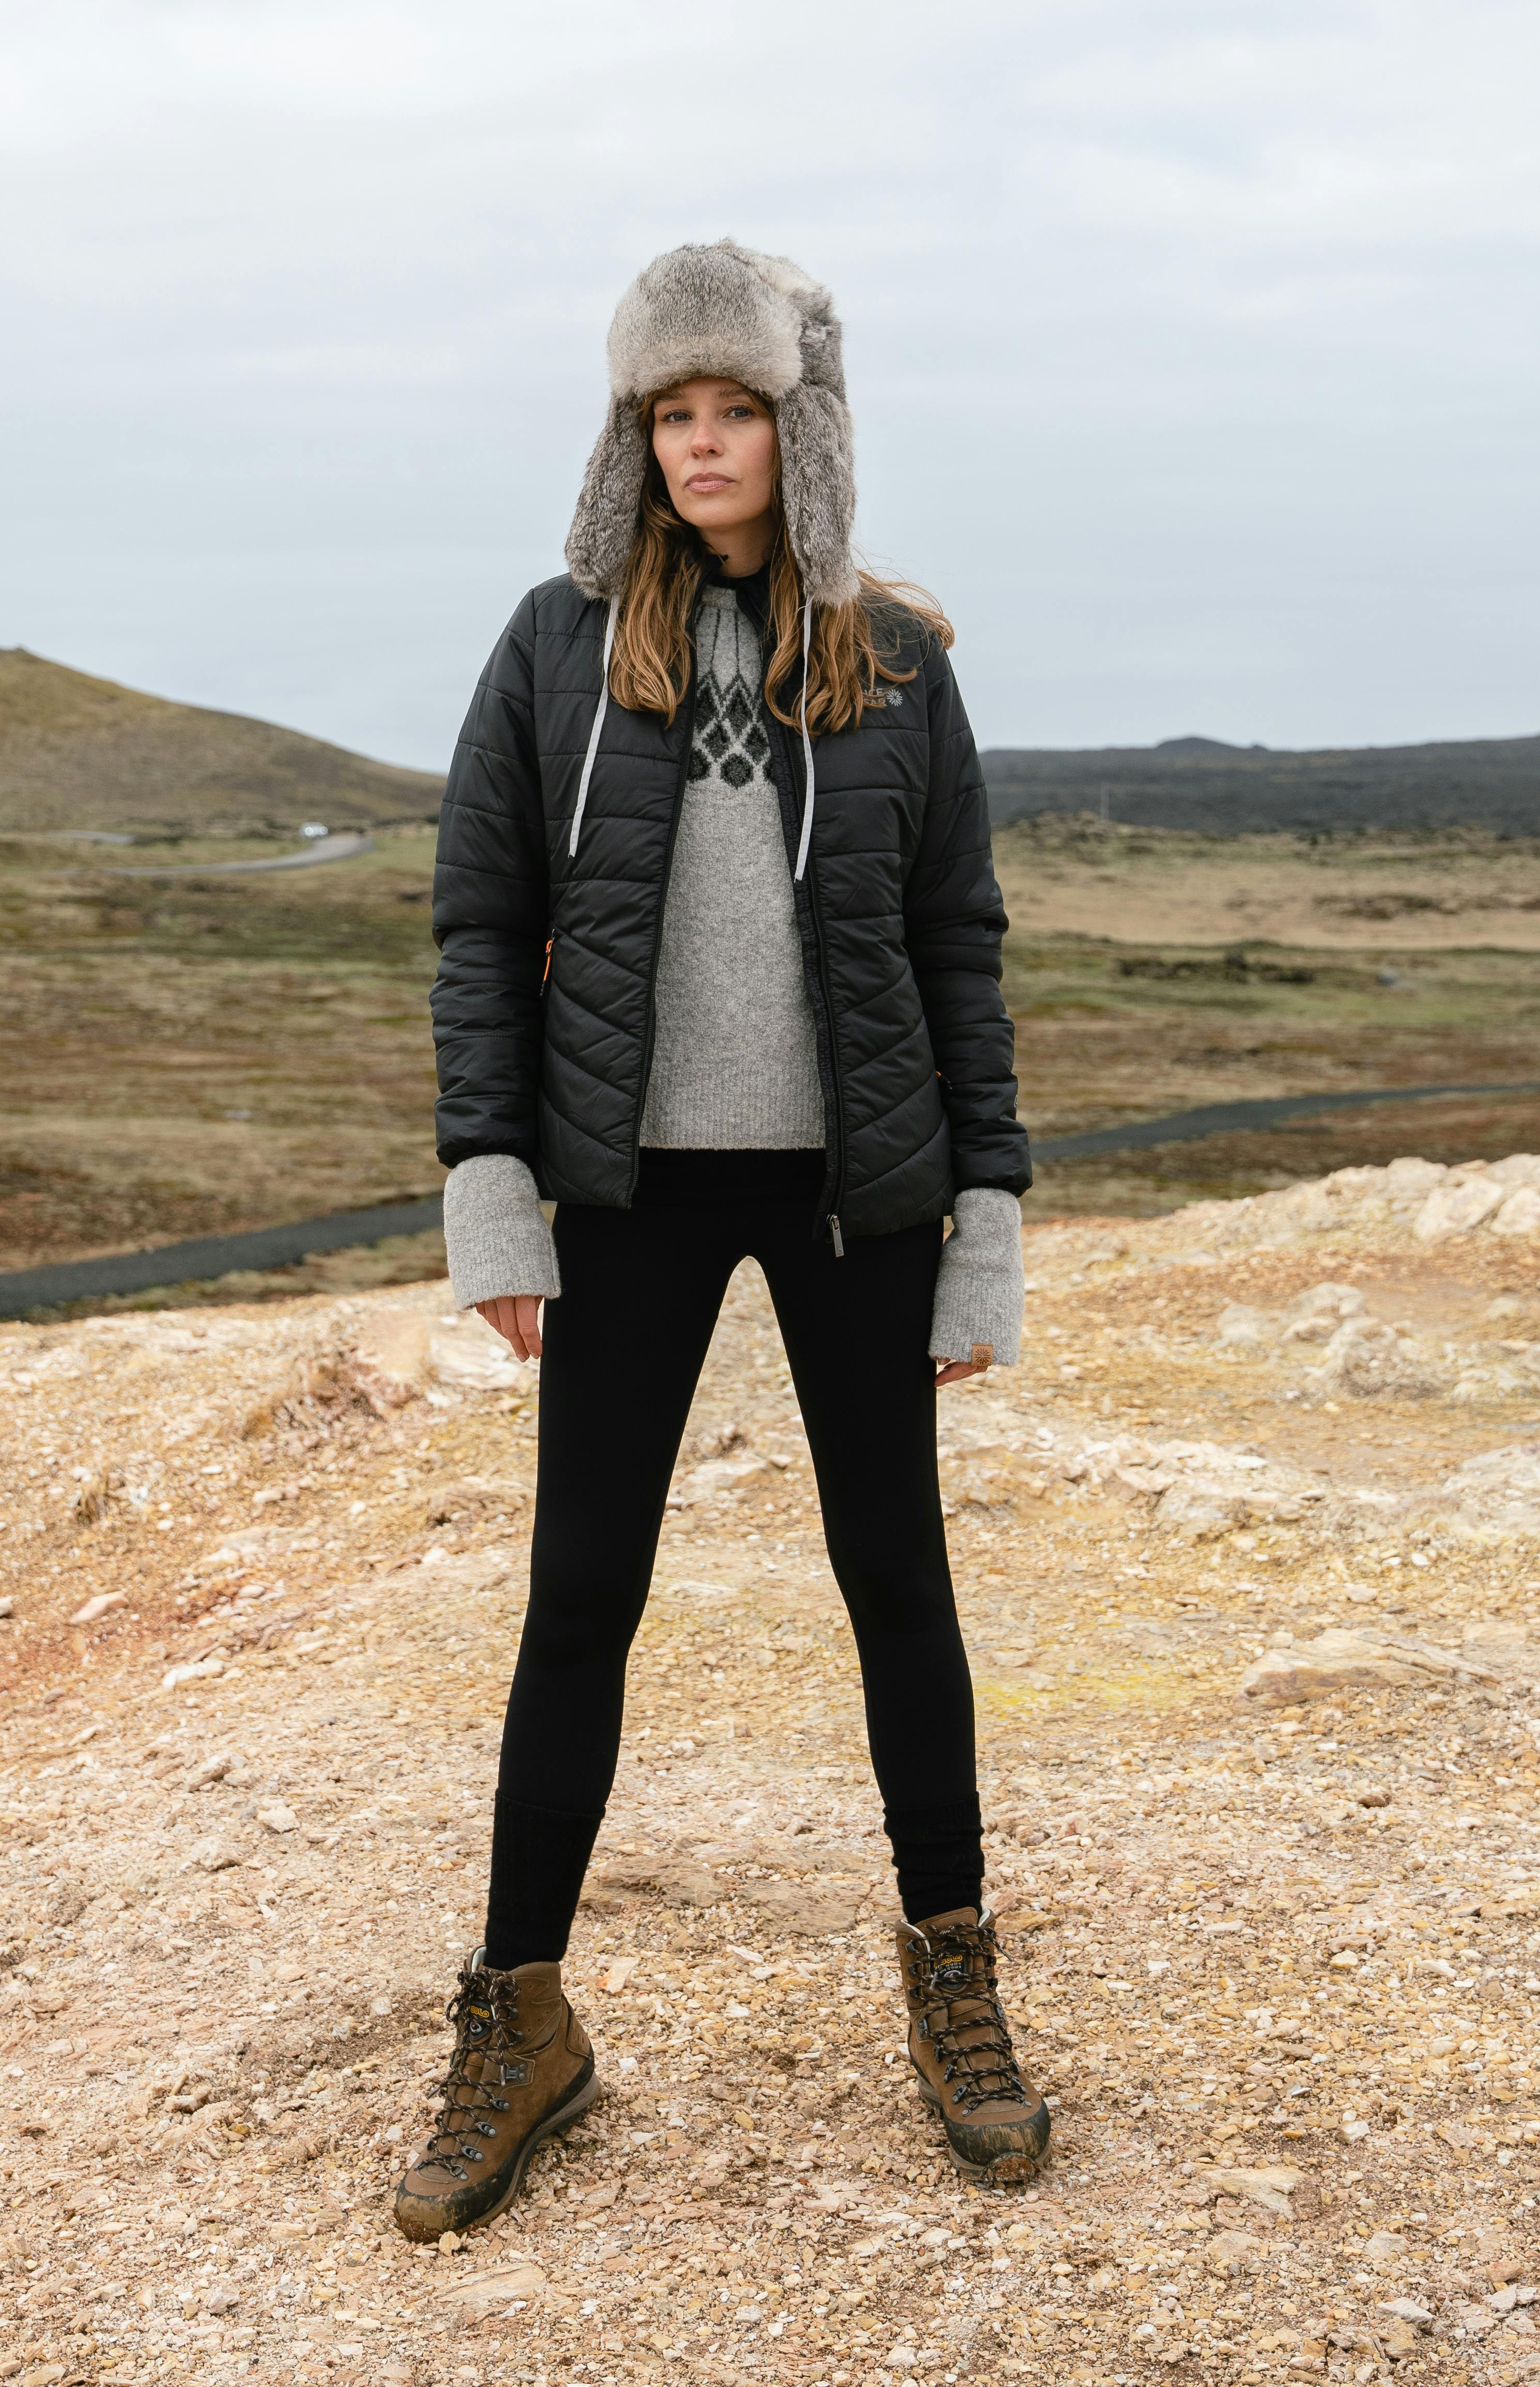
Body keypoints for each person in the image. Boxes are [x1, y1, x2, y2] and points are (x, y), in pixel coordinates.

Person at [391, 242, 1048, 2242]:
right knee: (577, 1597)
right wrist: (487, 1183)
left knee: (893, 1587)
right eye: (666, 414)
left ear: (795, 427)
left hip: (855, 1191)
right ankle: (519, 2016)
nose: (699, 444)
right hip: (626, 1192)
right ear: (632, 437)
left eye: (732, 409)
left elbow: (956, 948)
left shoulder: (897, 657)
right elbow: (473, 924)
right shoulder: (554, 645)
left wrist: (986, 1219)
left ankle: (951, 1981)